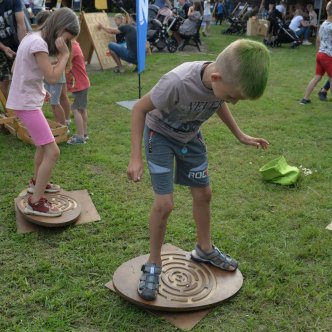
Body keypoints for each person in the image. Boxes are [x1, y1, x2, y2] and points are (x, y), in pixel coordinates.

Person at [127, 39, 270, 301]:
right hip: (159, 136)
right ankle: (154, 262)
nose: (232, 102)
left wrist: (239, 134)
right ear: (215, 77)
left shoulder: (219, 85)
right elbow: (139, 109)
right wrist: (135, 156)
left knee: (204, 194)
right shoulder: (177, 82)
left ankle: (204, 249)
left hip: (190, 137)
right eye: (232, 96)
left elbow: (219, 102)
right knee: (164, 204)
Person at [6, 8, 80, 217]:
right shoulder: (39, 43)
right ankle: (35, 201)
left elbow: (21, 70)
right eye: (67, 38)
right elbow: (54, 77)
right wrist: (64, 56)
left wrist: (40, 90)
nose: (65, 43)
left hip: (26, 100)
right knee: (53, 151)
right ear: (62, 28)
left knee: (42, 145)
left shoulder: (32, 37)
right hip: (26, 104)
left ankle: (37, 183)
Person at [35, 10, 72, 128]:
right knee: (58, 99)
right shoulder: (46, 37)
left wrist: (47, 62)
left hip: (55, 74)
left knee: (55, 102)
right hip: (51, 73)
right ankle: (64, 123)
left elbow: (60, 56)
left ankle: (62, 126)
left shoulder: (55, 38)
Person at [300, 2, 332, 104]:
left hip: (320, 54)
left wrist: (319, 53)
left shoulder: (323, 24)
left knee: (316, 78)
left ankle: (305, 99)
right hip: (328, 56)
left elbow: (318, 40)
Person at [0, 0, 27, 98]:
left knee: (20, 78)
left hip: (17, 45)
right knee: (4, 81)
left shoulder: (14, 1)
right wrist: (4, 48)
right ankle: (10, 111)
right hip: (1, 49)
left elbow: (21, 25)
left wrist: (23, 48)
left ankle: (20, 109)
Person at [66, 39, 90, 145]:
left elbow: (64, 62)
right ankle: (84, 133)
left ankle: (80, 136)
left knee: (76, 110)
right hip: (82, 83)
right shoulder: (75, 45)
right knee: (82, 109)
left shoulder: (73, 48)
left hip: (79, 85)